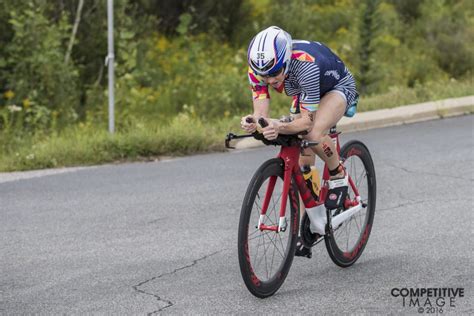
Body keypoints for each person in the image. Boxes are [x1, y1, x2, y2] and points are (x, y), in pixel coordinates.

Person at [241, 26, 359, 258]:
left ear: (285, 60)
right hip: (304, 91)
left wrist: (280, 125)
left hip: (336, 88)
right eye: (264, 76)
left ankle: (337, 174)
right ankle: (313, 223)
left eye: (275, 73)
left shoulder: (304, 65)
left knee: (312, 135)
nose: (270, 80)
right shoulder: (259, 69)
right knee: (303, 162)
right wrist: (253, 122)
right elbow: (260, 112)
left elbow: (306, 122)